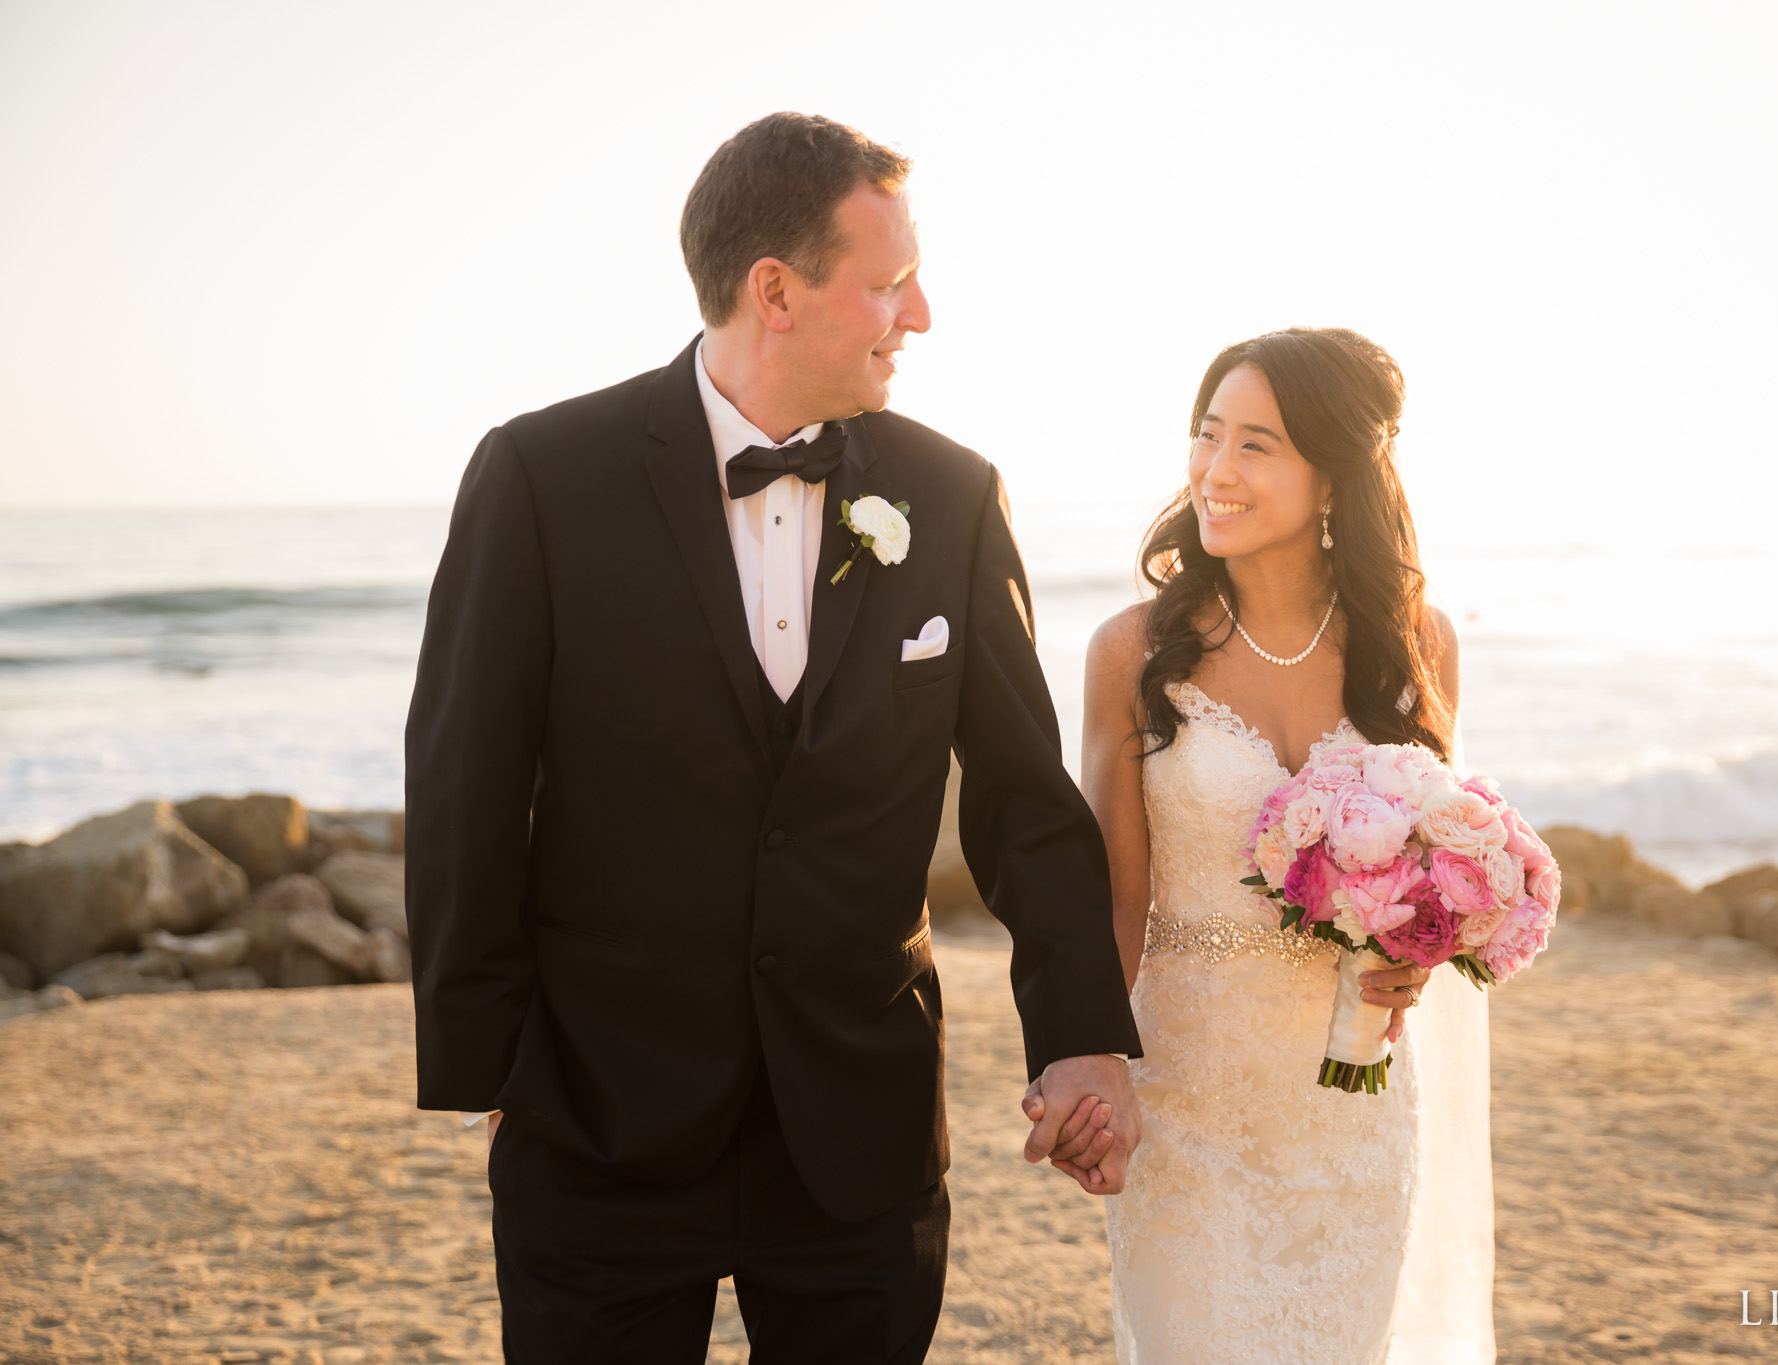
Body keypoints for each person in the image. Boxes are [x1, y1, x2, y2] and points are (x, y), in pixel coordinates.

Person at [404, 112, 1142, 1364]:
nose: (919, 316)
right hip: (599, 1124)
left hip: (860, 1127)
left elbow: (1020, 796)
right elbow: (466, 783)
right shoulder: (541, 475)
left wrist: (1079, 1032)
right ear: (776, 290)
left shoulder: (951, 497)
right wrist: (493, 1072)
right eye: (890, 283)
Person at [1081, 328, 1497, 1363]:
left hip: (1348, 1112)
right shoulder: (1132, 652)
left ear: (1331, 481)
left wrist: (1414, 952)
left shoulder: (1419, 644)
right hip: (1189, 1102)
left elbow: (1436, 853)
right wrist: (1083, 1056)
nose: (1213, 472)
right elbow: (1111, 899)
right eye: (1206, 435)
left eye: (1254, 445)